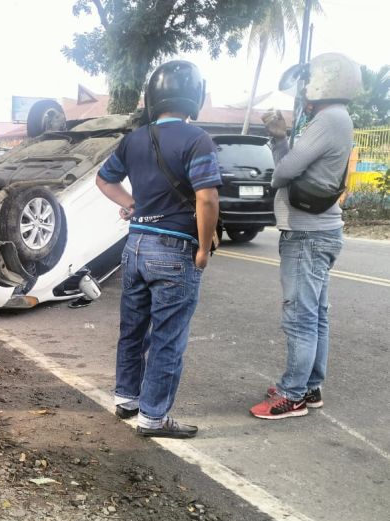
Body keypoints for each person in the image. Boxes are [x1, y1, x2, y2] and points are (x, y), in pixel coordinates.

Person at [95, 60, 221, 439]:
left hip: (135, 247)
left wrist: (134, 205)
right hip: (174, 248)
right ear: (193, 97)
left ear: (154, 98)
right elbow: (208, 199)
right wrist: (202, 247)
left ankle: (126, 398)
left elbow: (104, 180)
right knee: (168, 336)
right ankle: (154, 417)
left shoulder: (135, 138)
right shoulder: (196, 138)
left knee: (133, 329)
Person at [249, 53, 361, 420]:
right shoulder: (335, 118)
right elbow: (291, 164)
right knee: (316, 315)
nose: (302, 91)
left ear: (322, 82)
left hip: (308, 235)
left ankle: (292, 395)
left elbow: (285, 172)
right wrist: (281, 138)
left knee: (300, 316)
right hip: (320, 231)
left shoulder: (328, 119)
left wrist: (282, 153)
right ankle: (310, 386)